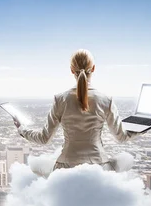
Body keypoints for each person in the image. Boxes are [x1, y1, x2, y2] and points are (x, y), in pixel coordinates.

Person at [14, 49, 142, 172]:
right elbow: (121, 137)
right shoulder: (106, 100)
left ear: (71, 70)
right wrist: (145, 126)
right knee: (125, 161)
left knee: (38, 167)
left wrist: (22, 129)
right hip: (100, 166)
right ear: (93, 68)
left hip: (65, 166)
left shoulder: (60, 99)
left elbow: (43, 138)